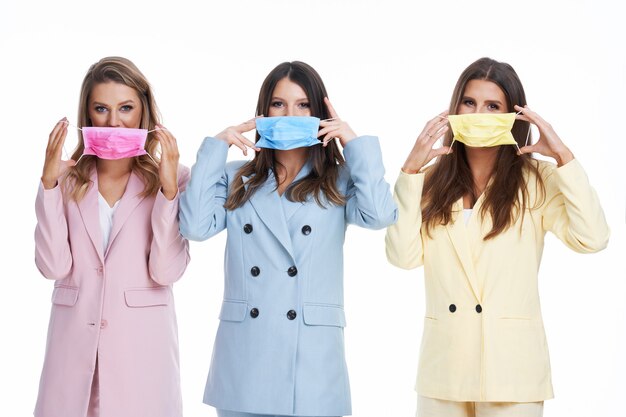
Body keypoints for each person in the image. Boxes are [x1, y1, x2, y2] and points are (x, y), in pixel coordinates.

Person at [385, 57, 609, 417]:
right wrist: (410, 170)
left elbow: (593, 238)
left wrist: (564, 158)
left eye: (493, 106)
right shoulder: (427, 182)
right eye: (469, 103)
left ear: (512, 116)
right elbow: (402, 256)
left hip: (513, 369)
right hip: (445, 367)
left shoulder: (537, 179)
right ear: (454, 107)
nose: (478, 114)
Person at [179, 61, 397, 417]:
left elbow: (379, 215)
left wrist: (353, 143)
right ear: (263, 112)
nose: (290, 114)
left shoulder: (339, 180)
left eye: (303, 105)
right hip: (245, 359)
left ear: (320, 113)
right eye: (278, 104)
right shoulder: (236, 177)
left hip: (312, 362)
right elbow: (194, 227)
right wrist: (215, 148)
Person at [34, 56, 190, 417]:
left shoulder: (176, 177)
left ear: (143, 113)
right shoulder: (66, 179)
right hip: (73, 352)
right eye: (101, 108)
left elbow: (166, 271)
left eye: (126, 108)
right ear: (87, 115)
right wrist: (48, 185)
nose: (114, 121)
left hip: (141, 353)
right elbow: (53, 266)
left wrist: (167, 192)